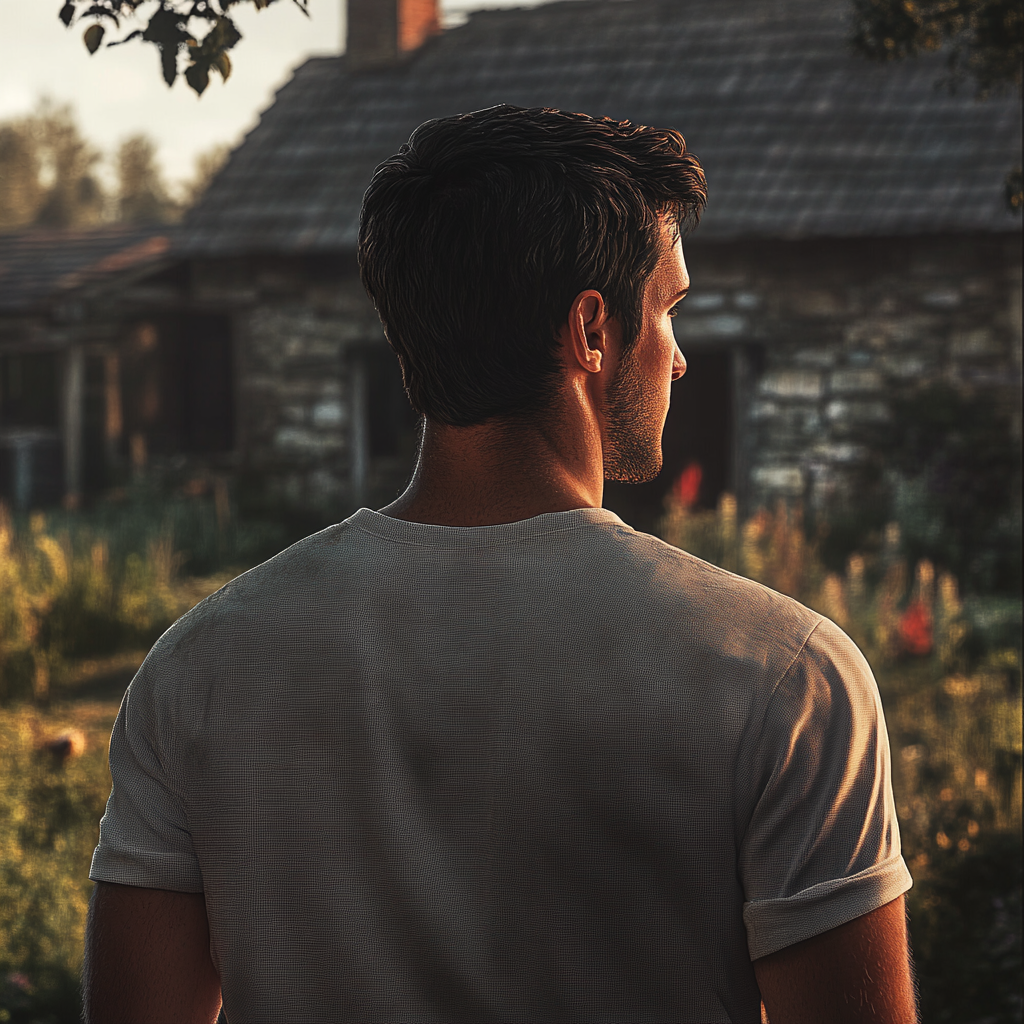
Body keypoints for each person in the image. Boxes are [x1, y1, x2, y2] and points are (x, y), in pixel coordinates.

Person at [83, 105, 916, 1024]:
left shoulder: (197, 669)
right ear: (591, 331)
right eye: (671, 310)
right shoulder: (784, 675)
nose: (679, 359)